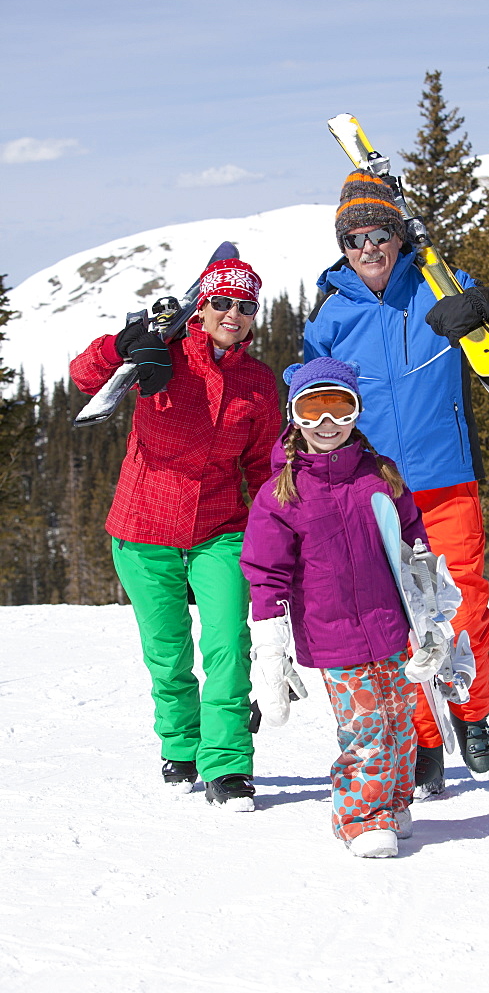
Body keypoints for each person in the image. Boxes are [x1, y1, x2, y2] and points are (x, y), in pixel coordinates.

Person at [303, 170, 489, 792]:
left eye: (379, 233)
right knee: (400, 620)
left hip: (445, 478)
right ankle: (424, 738)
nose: (368, 248)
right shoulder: (330, 316)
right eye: (354, 239)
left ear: (398, 235)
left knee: (464, 607)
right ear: (343, 248)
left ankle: (472, 714)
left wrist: (486, 306)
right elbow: (314, 405)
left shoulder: (442, 286)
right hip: (375, 491)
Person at [70, 256, 281, 810]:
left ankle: (228, 764)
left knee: (228, 649)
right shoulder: (160, 354)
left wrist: (274, 532)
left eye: (245, 306)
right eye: (222, 303)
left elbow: (262, 467)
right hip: (144, 528)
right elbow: (83, 376)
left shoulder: (257, 383)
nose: (232, 314)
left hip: (220, 529)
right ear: (202, 307)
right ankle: (181, 744)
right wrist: (123, 343)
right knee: (167, 654)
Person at [239, 358, 448, 857]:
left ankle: (393, 805)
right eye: (313, 411)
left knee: (399, 724)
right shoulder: (280, 493)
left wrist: (430, 617)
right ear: (295, 417)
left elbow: (412, 540)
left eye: (339, 407)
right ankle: (358, 816)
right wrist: (271, 649)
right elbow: (265, 573)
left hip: (392, 628)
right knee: (365, 730)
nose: (327, 424)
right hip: (334, 637)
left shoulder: (380, 476)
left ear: (356, 413)